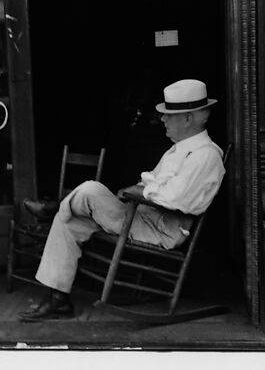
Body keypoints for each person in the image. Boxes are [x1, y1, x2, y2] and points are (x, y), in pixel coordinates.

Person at [19, 79, 226, 322]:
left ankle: (54, 206)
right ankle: (58, 300)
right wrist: (143, 189)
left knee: (89, 189)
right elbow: (153, 184)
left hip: (161, 229)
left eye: (168, 115)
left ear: (188, 119)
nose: (162, 120)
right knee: (71, 220)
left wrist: (137, 192)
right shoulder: (178, 150)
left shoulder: (205, 156)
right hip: (145, 217)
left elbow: (173, 198)